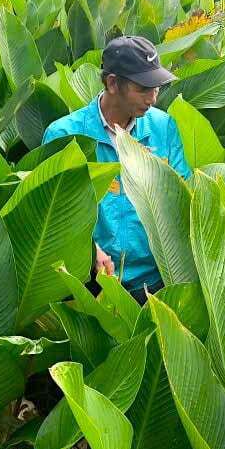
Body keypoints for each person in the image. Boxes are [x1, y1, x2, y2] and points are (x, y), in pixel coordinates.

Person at [42, 35, 189, 304]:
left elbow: (183, 198)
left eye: (157, 87)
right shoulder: (65, 135)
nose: (153, 98)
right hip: (89, 284)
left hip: (153, 285)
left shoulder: (163, 128)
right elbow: (51, 216)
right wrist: (89, 250)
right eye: (143, 88)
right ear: (112, 83)